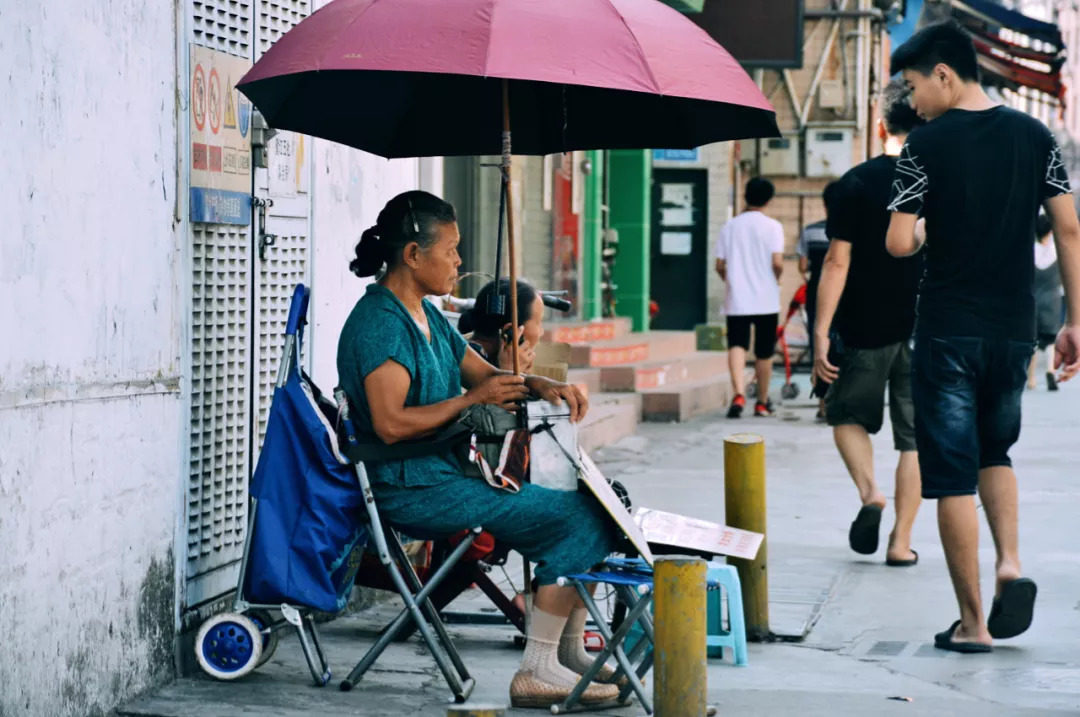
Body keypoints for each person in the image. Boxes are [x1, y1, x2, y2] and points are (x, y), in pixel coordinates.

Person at [336, 190, 621, 707]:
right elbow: (391, 424)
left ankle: (568, 651)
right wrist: (473, 400)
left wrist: (538, 385)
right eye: (451, 249)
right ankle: (537, 670)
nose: (459, 262)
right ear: (414, 255)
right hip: (412, 487)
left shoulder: (424, 316)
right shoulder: (381, 324)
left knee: (595, 502)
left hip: (446, 474)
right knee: (577, 517)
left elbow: (488, 375)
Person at [885, 22, 1080, 653]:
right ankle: (1010, 564)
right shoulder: (1034, 135)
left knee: (949, 477)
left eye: (913, 85)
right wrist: (1075, 322)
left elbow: (897, 241)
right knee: (997, 451)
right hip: (1012, 329)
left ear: (943, 73)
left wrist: (920, 232)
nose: (912, 101)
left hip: (947, 329)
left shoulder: (924, 145)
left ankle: (972, 624)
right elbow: (1070, 231)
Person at [813, 79, 925, 567]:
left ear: (881, 125)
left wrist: (820, 331)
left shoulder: (855, 183)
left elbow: (836, 262)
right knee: (915, 439)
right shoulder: (940, 182)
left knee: (845, 417)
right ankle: (901, 542)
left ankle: (870, 494)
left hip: (863, 326)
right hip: (927, 328)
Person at [715, 177, 785, 418]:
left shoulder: (730, 226)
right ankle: (762, 402)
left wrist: (731, 280)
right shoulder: (773, 227)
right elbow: (777, 262)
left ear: (746, 196)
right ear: (769, 199)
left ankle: (738, 394)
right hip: (766, 298)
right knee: (764, 351)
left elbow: (719, 264)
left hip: (737, 298)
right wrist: (777, 277)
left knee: (737, 344)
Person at [459, 278, 544, 373]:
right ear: (509, 331)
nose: (541, 332)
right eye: (538, 322)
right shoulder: (461, 365)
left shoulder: (466, 348)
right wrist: (511, 372)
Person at [797, 215, 832, 420]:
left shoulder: (810, 230)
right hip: (846, 294)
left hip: (816, 295)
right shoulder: (854, 226)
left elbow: (802, 267)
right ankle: (837, 402)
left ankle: (822, 404)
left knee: (819, 346)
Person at [1029, 213, 1063, 391]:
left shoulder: (1030, 250)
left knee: (1033, 340)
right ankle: (1050, 370)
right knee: (1050, 339)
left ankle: (1032, 378)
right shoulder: (1056, 250)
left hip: (1033, 298)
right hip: (1052, 300)